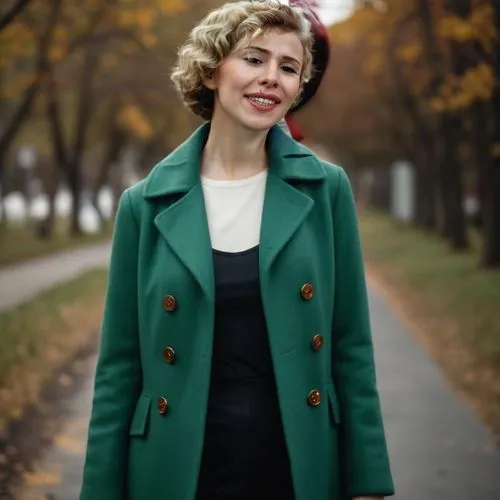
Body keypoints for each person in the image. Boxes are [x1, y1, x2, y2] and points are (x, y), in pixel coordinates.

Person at [79, 1, 394, 500]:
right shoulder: (143, 204)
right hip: (175, 467)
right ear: (211, 72)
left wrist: (368, 482)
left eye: (288, 68)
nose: (271, 77)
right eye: (254, 59)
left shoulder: (326, 189)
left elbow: (351, 346)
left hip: (297, 462)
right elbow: (119, 367)